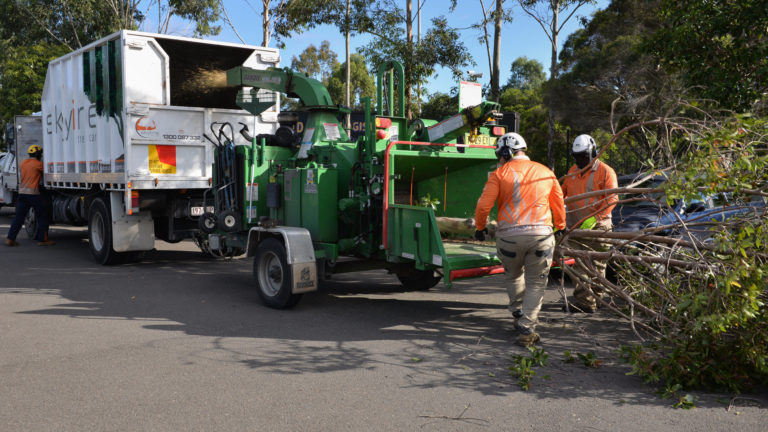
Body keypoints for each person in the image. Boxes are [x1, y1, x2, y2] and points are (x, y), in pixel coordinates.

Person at [474, 132, 566, 347]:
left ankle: (518, 312)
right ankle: (527, 326)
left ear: (506, 152)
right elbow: (558, 202)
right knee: (536, 283)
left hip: (509, 239)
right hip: (541, 237)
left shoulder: (499, 174)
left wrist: (480, 227)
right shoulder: (546, 171)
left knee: (514, 275)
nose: (499, 158)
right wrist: (561, 226)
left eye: (499, 154)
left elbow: (483, 206)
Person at [561, 134, 617, 313]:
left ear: (593, 152)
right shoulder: (572, 172)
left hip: (600, 226)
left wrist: (595, 219)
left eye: (584, 155)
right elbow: (561, 195)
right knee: (581, 265)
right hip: (578, 226)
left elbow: (612, 198)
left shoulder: (606, 171)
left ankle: (594, 299)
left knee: (598, 266)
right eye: (577, 156)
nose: (580, 159)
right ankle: (587, 300)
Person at [5, 145, 54, 247]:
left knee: (18, 217)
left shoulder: (23, 163)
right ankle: (43, 240)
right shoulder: (38, 164)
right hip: (33, 195)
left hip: (22, 194)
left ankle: (10, 239)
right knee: (42, 215)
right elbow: (49, 171)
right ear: (38, 154)